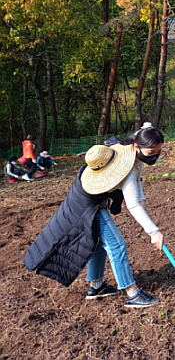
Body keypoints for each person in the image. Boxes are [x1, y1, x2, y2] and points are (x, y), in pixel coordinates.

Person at [24, 127, 166, 308]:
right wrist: (154, 231)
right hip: (88, 205)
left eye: (159, 151)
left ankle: (96, 286)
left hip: (90, 200)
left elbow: (137, 179)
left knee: (98, 243)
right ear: (137, 147)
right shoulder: (127, 161)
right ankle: (133, 294)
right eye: (151, 152)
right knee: (117, 245)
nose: (155, 155)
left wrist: (142, 198)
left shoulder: (132, 153)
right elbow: (132, 204)